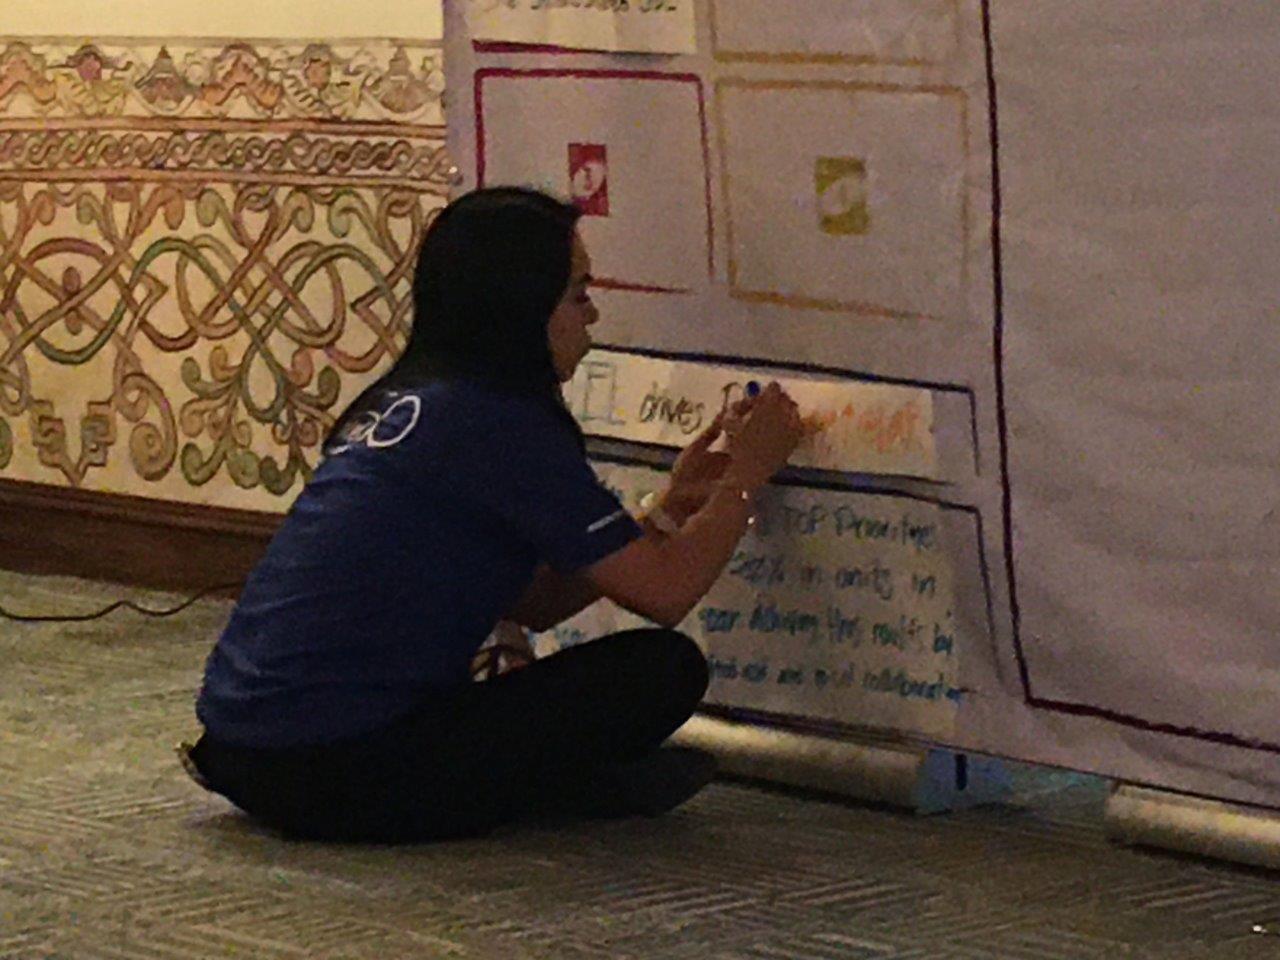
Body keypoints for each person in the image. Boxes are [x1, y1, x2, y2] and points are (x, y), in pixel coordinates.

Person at [183, 187, 803, 843]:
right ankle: (560, 789)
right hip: (333, 770)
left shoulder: (408, 402)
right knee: (660, 671)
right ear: (523, 308)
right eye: (577, 295)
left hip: (240, 752)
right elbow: (668, 592)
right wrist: (748, 474)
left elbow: (534, 604)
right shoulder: (499, 424)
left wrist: (670, 512)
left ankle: (561, 783)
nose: (592, 315)